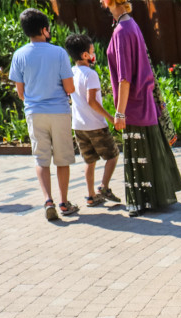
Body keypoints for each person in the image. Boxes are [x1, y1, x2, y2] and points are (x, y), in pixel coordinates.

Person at [102, 0, 181, 217]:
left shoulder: (121, 30)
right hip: (144, 101)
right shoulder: (131, 24)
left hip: (134, 106)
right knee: (148, 152)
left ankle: (140, 203)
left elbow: (124, 78)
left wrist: (120, 113)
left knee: (137, 154)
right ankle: (152, 200)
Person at [9, 8, 79, 220]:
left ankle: (48, 200)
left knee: (41, 160)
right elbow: (69, 88)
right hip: (59, 112)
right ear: (44, 29)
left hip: (34, 112)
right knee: (62, 159)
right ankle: (64, 203)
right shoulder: (58, 53)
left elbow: (20, 92)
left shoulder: (19, 55)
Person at [64, 34, 121, 208]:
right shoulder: (91, 74)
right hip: (96, 125)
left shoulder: (70, 73)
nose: (94, 53)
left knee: (89, 161)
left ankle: (90, 196)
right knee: (113, 155)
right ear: (85, 55)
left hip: (79, 126)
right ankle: (103, 187)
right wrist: (111, 118)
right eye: (92, 51)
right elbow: (92, 101)